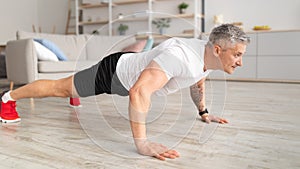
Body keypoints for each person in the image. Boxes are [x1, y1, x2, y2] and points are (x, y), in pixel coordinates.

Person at [0, 24, 250, 160]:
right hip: (114, 74)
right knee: (60, 87)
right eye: (237, 55)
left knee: (78, 83)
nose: (240, 61)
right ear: (218, 50)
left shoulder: (206, 57)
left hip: (132, 62)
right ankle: (7, 100)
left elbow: (198, 81)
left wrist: (203, 111)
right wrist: (142, 144)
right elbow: (139, 92)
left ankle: (78, 89)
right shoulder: (181, 58)